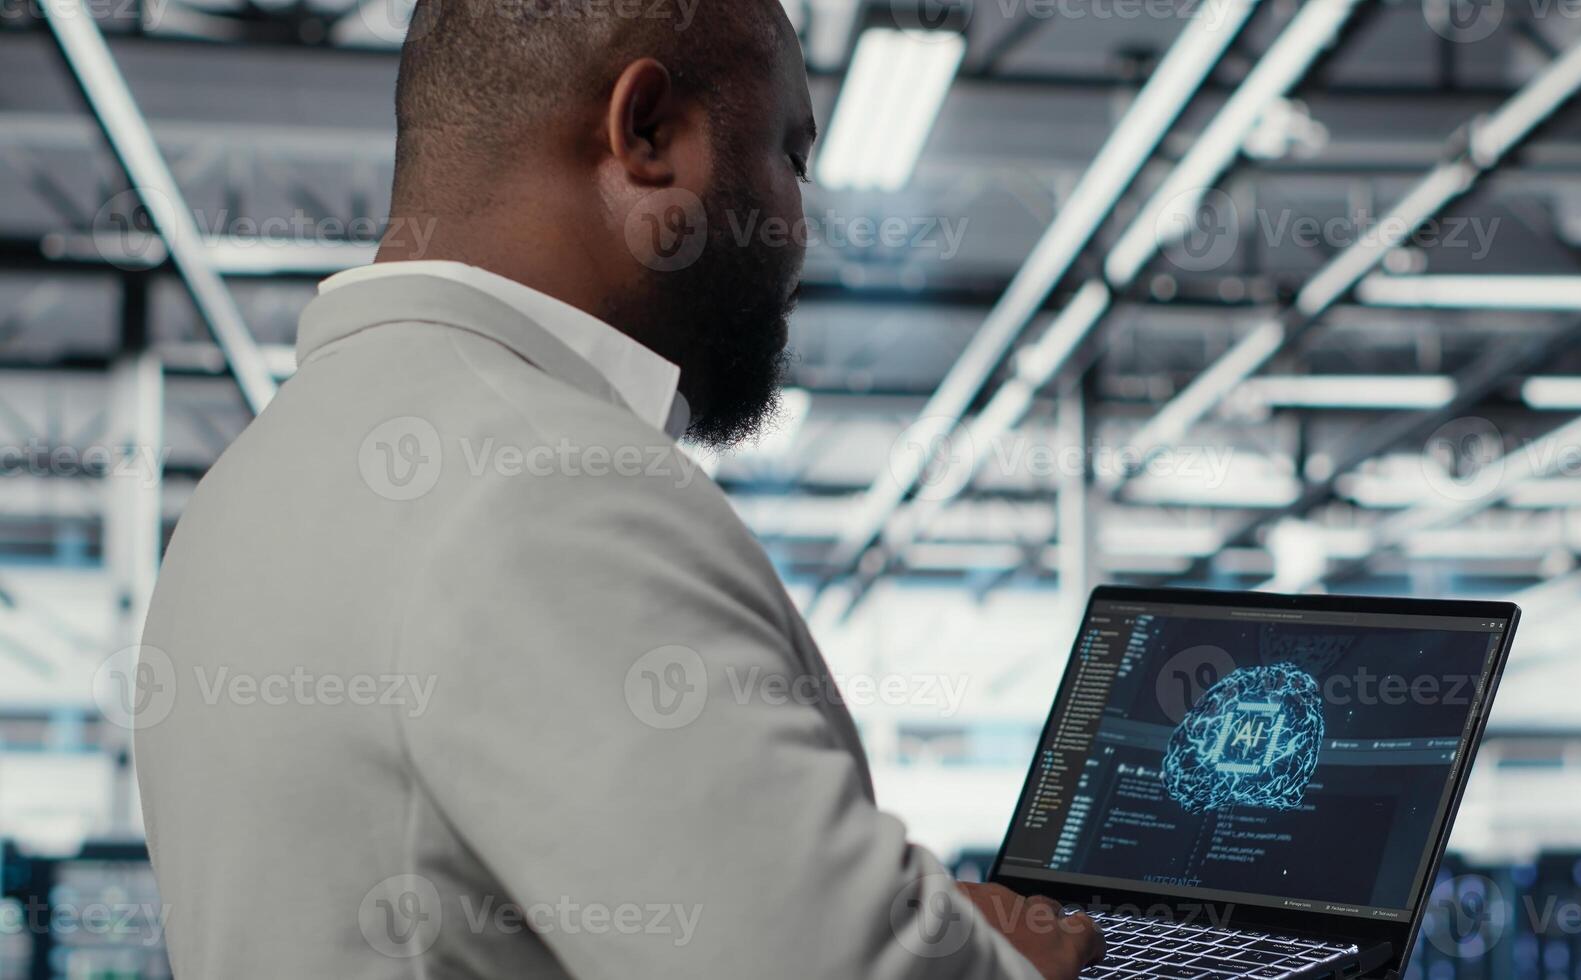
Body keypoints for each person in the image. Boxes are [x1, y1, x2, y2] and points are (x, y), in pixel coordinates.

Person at [133, 1, 1104, 977]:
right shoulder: (548, 485)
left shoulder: (249, 482)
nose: (800, 228)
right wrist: (1005, 961)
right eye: (789, 158)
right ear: (646, 132)